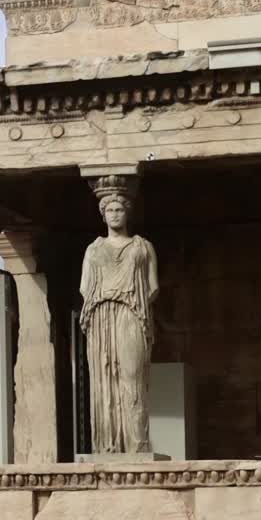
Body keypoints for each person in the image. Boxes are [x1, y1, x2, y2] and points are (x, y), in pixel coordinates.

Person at [79, 177, 158, 454]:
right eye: (110, 210)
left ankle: (138, 444)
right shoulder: (93, 250)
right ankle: (107, 446)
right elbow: (84, 287)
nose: (115, 214)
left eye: (119, 209)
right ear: (103, 214)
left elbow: (152, 286)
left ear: (128, 212)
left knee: (133, 377)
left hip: (130, 314)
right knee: (103, 382)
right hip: (101, 317)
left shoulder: (142, 247)